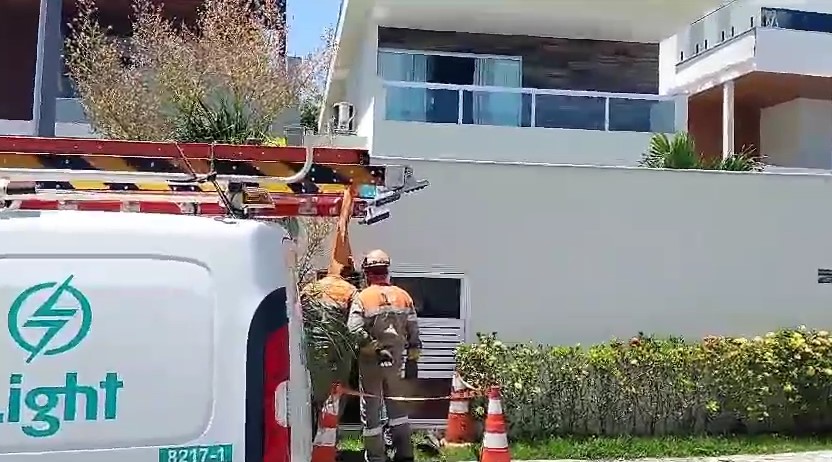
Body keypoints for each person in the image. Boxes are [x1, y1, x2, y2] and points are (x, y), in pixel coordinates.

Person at [348, 249, 421, 462]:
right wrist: (413, 360)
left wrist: (377, 348)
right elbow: (414, 331)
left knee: (371, 410)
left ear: (368, 273)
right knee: (398, 408)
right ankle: (404, 455)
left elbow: (353, 329)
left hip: (372, 362)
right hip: (396, 363)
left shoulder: (363, 297)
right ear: (386, 271)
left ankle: (376, 457)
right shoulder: (403, 296)